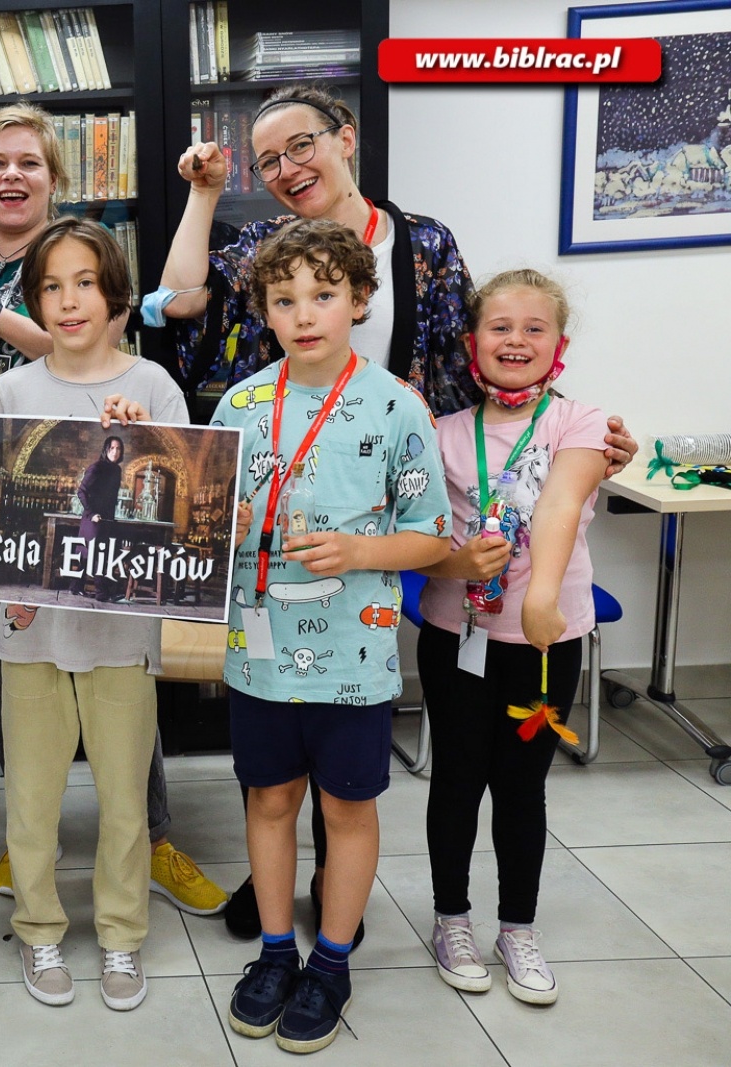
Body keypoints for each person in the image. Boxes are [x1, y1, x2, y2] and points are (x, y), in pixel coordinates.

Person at [153, 82, 638, 939]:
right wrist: (201, 196)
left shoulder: (421, 244)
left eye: (300, 145)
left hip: (402, 514)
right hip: (283, 519)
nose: (285, 168)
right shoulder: (267, 246)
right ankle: (287, 893)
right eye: (267, 161)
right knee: (280, 751)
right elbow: (180, 307)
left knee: (350, 729)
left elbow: (473, 371)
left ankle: (337, 890)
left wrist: (566, 441)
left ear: (344, 137)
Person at [0, 100, 228, 918]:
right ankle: (33, 837)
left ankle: (151, 833)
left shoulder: (74, 259)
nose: (10, 175)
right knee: (12, 662)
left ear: (55, 179)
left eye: (28, 162)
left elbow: (83, 351)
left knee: (122, 657)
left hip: (99, 494)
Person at [0, 217, 182, 1012]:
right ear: (33, 297)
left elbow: (179, 516)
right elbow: (0, 508)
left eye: (84, 283)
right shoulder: (13, 389)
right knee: (32, 797)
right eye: (51, 286)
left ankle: (120, 936)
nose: (69, 301)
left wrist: (144, 448)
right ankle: (39, 928)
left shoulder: (153, 386)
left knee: (124, 799)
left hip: (120, 634)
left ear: (114, 294)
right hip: (31, 629)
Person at [210, 219, 451, 1053]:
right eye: (285, 299)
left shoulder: (396, 405)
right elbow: (208, 524)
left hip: (357, 656)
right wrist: (226, 523)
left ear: (359, 299)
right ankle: (278, 949)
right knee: (269, 798)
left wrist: (359, 550)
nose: (305, 313)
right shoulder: (239, 405)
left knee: (348, 807)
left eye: (324, 294)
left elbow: (434, 535)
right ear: (266, 312)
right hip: (260, 651)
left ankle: (334, 958)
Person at [417, 269, 608, 1006]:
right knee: (458, 781)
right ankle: (451, 919)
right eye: (500, 327)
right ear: (472, 343)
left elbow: (560, 504)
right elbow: (421, 535)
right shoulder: (442, 435)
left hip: (547, 641)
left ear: (559, 344)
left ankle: (517, 927)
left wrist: (539, 605)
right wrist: (454, 560)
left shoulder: (581, 422)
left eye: (535, 328)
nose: (517, 340)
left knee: (522, 786)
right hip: (455, 636)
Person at [70, 436, 124, 600]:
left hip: (106, 518)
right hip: (92, 519)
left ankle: (75, 587)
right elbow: (81, 492)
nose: (115, 452)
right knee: (95, 554)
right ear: (106, 449)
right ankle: (102, 593)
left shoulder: (116, 470)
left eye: (118, 449)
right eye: (112, 448)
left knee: (92, 554)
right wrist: (92, 514)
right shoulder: (96, 467)